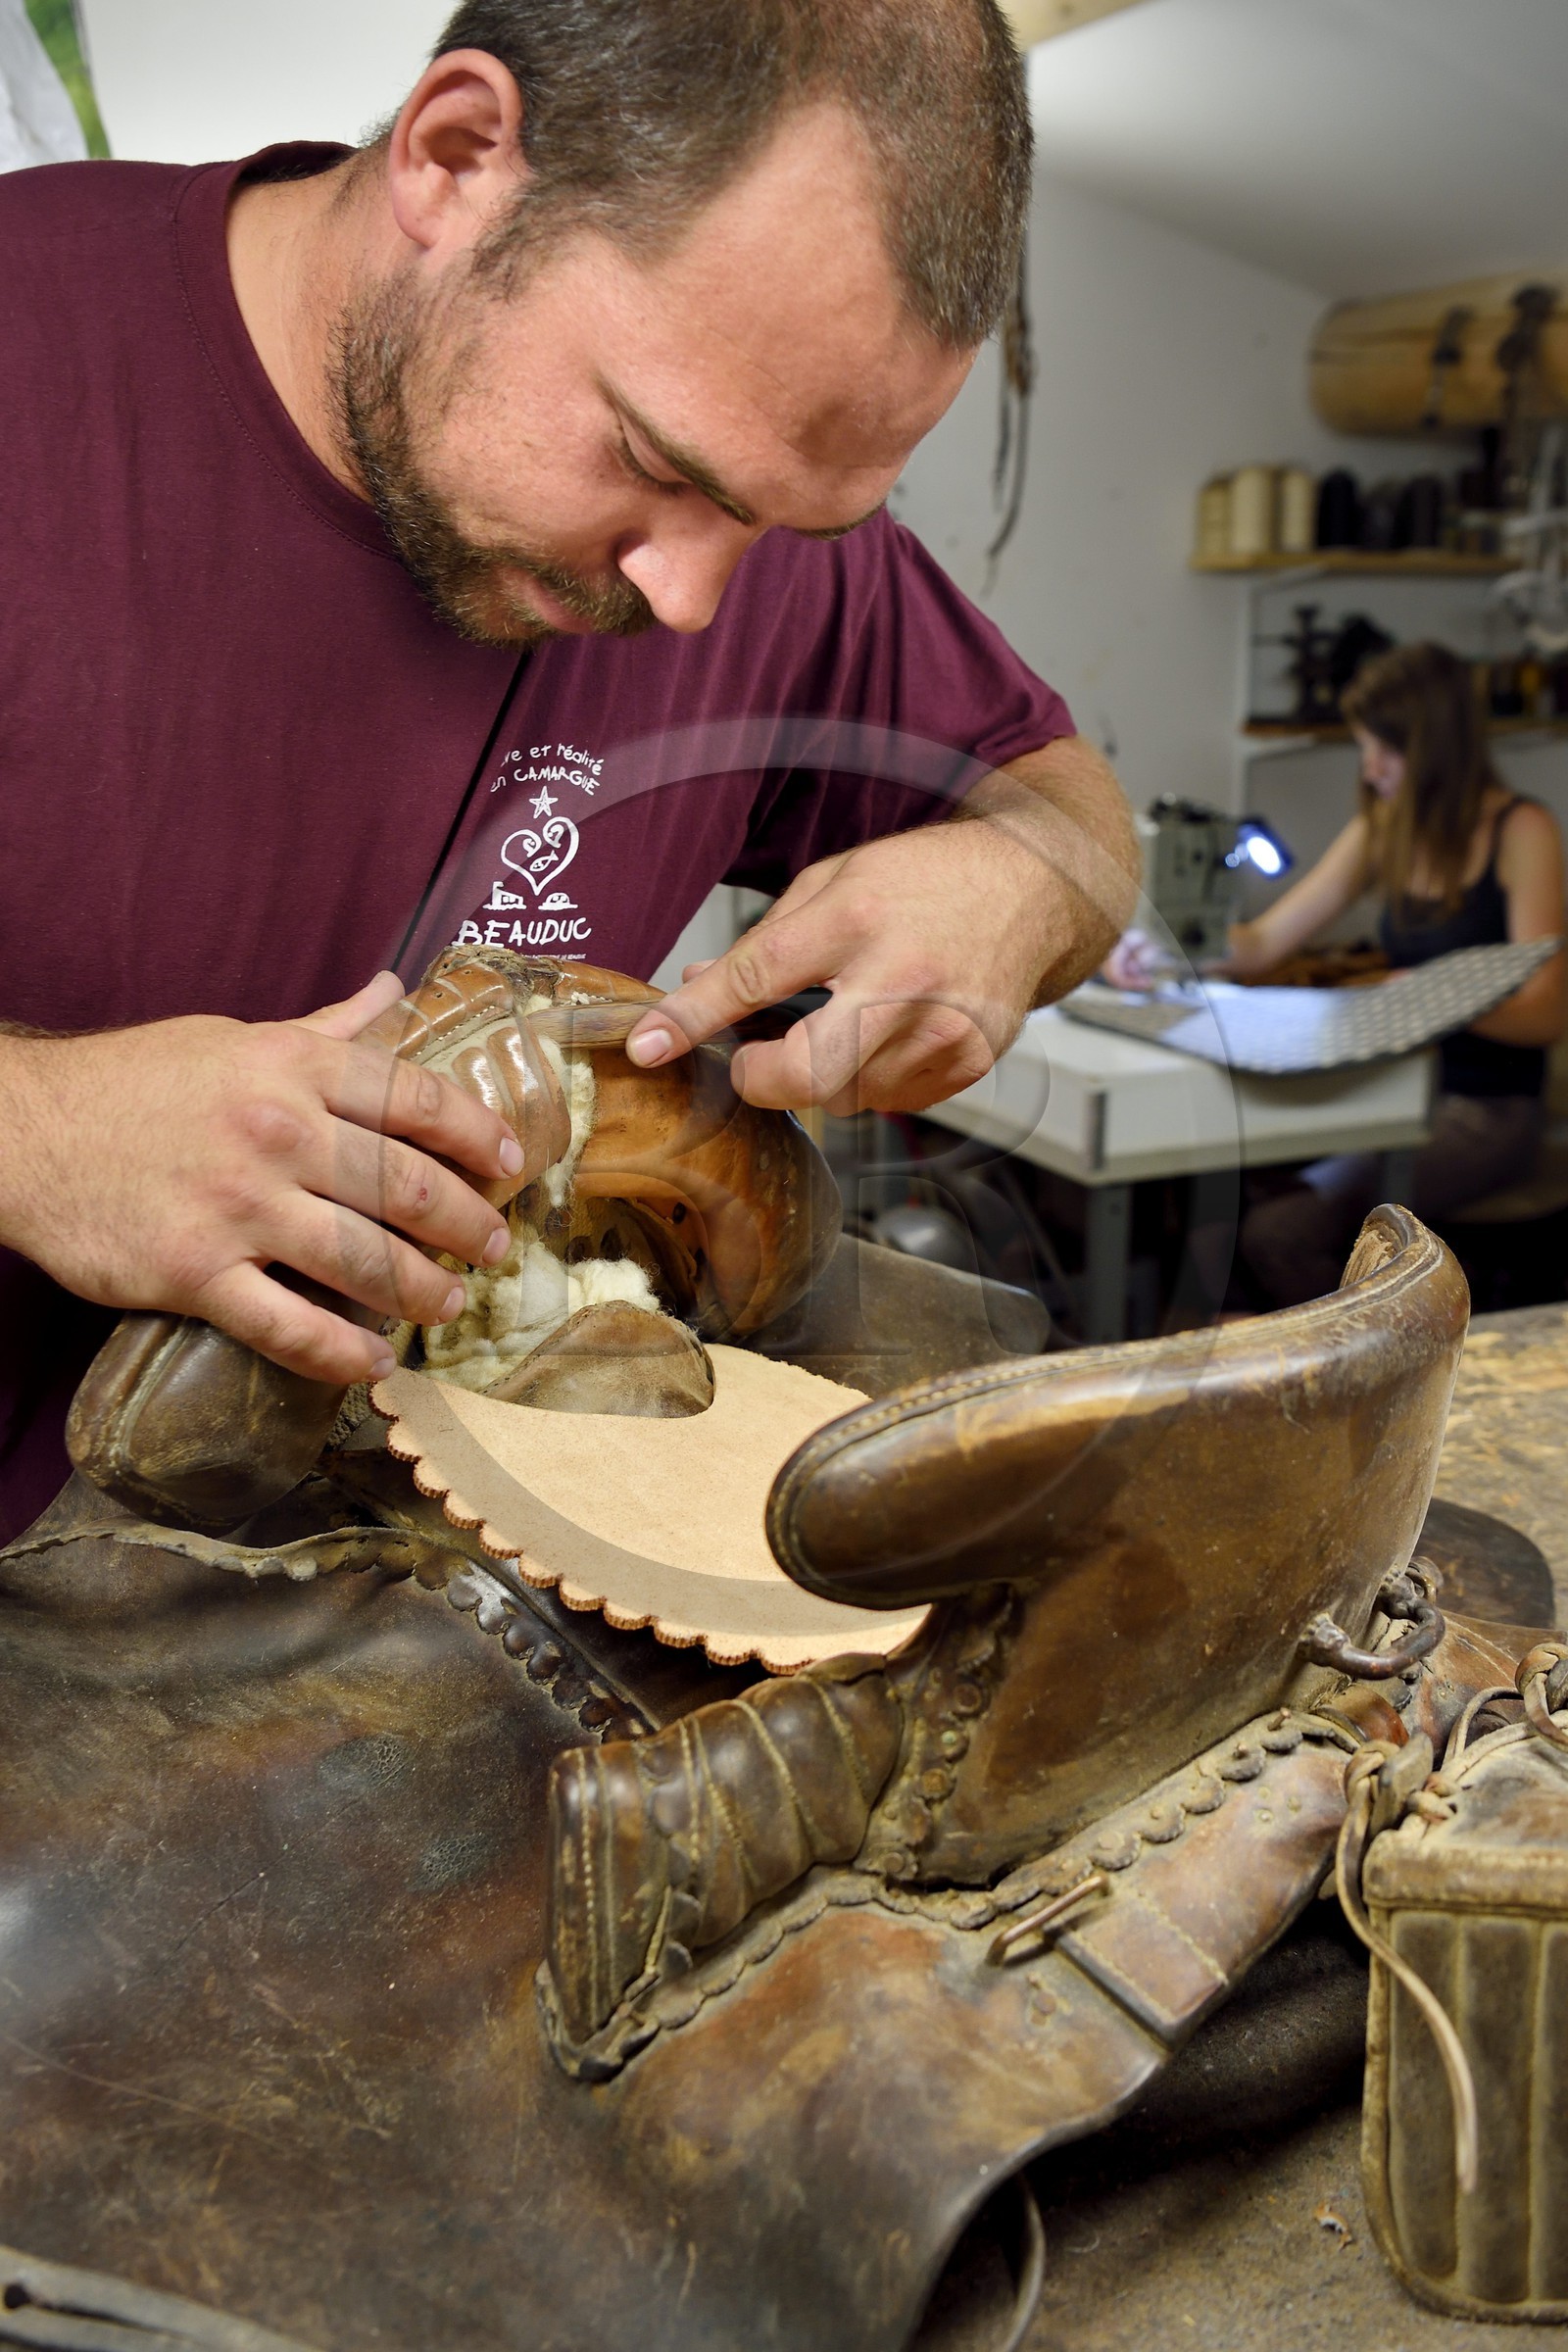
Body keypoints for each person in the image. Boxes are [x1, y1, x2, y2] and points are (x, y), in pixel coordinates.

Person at [0, 0, 1139, 1543]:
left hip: (428, 1638)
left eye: (786, 524)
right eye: (657, 464)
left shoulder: (744, 536)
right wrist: (42, 1132)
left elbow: (1062, 800)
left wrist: (1018, 885)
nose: (694, 601)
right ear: (457, 155)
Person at [1218, 642, 1563, 1305]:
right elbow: (1261, 944)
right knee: (1236, 1189)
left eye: (1387, 751)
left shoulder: (1522, 831)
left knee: (1278, 1234)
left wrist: (1438, 1000)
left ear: (1439, 749)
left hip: (1485, 1112)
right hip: (1388, 1094)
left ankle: (1384, 1382)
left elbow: (1549, 1013)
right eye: (1364, 748)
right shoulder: (1385, 828)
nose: (1372, 770)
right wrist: (1163, 952)